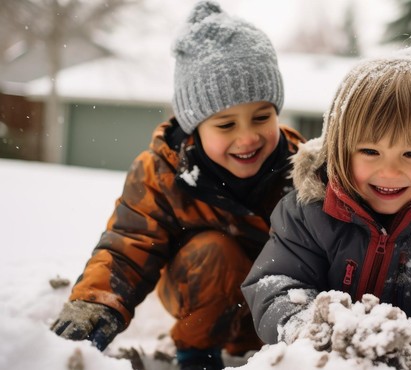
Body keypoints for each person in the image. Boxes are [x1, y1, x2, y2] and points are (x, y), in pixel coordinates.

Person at [50, 2, 304, 369]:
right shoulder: (162, 173)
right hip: (200, 300)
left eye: (262, 117)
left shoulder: (302, 169)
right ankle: (197, 356)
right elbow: (128, 247)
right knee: (215, 251)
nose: (247, 137)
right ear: (194, 126)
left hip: (277, 316)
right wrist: (94, 305)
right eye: (226, 125)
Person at [241, 46, 411, 370]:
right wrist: (311, 330)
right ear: (343, 150)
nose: (389, 171)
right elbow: (277, 285)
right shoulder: (307, 214)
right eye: (370, 151)